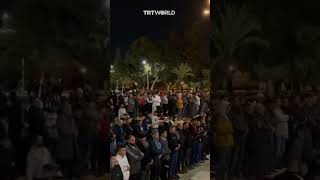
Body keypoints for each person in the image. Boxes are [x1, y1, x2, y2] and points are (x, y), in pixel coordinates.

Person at [214, 99, 234, 180]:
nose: (229, 109)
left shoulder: (226, 117)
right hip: (223, 142)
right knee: (222, 162)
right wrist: (230, 130)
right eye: (227, 108)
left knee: (226, 162)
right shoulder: (220, 118)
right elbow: (220, 129)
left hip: (228, 142)